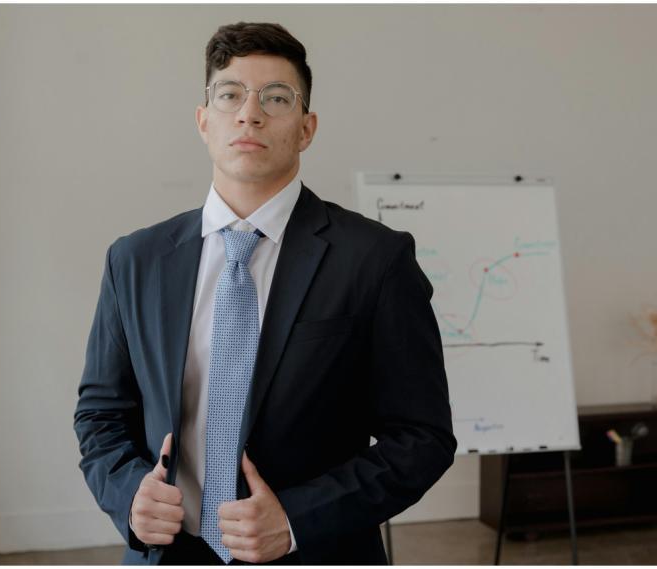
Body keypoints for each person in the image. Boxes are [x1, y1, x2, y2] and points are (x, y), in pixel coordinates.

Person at [74, 21, 456, 566]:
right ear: (204, 121)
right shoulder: (135, 260)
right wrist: (129, 495)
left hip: (316, 551)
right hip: (168, 552)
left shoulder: (374, 259)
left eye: (276, 98)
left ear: (306, 128)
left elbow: (422, 438)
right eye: (229, 95)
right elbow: (101, 414)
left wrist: (299, 520)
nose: (249, 113)